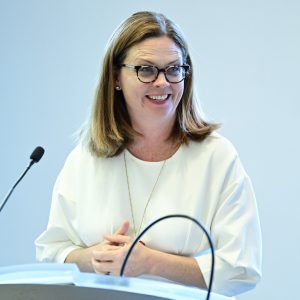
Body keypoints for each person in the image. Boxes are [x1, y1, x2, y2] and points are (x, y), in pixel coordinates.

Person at [35, 11, 262, 297]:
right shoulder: (85, 159)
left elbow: (242, 270)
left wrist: (151, 263)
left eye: (173, 69)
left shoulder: (216, 157)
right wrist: (93, 258)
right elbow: (51, 252)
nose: (162, 83)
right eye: (146, 69)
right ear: (115, 77)